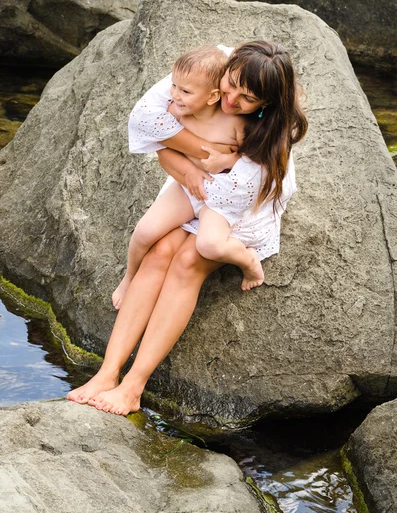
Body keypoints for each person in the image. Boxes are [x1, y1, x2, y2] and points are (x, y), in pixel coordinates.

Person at [67, 40, 308, 416]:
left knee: (186, 261)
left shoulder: (266, 138)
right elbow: (148, 122)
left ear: (266, 105)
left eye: (247, 99)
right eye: (231, 87)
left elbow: (226, 192)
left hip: (238, 203)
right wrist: (196, 160)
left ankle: (134, 386)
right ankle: (107, 373)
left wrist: (215, 162)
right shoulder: (209, 70)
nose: (231, 100)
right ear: (227, 69)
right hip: (197, 183)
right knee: (158, 249)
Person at [112, 45, 265, 308]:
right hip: (187, 187)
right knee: (144, 232)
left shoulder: (236, 123)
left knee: (212, 245)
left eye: (184, 91)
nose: (174, 95)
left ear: (211, 96)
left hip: (220, 194)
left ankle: (248, 260)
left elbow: (250, 160)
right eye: (173, 86)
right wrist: (190, 172)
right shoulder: (173, 112)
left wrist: (227, 159)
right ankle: (129, 277)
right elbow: (164, 151)